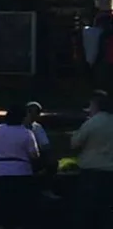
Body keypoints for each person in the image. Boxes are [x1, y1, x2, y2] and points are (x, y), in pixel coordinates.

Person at [0, 103, 41, 228]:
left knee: (2, 207)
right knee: (19, 208)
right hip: (22, 172)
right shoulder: (27, 133)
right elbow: (34, 155)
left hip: (1, 171)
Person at [70, 90, 112, 228]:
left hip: (91, 170)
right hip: (110, 170)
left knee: (87, 209)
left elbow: (75, 143)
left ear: (95, 105)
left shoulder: (92, 123)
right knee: (106, 208)